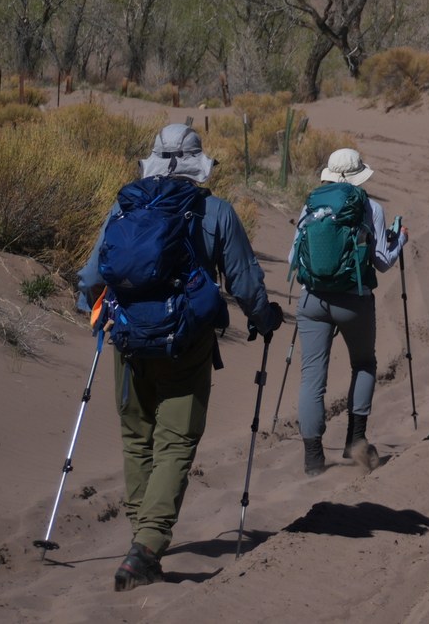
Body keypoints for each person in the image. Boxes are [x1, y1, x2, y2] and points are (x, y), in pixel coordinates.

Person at [76, 122, 282, 591]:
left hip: (126, 341)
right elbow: (245, 283)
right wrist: (264, 319)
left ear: (153, 157)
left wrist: (91, 311)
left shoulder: (124, 205)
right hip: (184, 345)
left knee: (137, 438)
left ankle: (140, 536)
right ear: (197, 161)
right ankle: (146, 548)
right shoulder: (215, 211)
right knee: (175, 442)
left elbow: (91, 276)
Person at [291, 147, 407, 475]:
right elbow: (383, 262)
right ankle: (355, 441)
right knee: (364, 364)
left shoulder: (311, 203)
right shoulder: (371, 207)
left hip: (312, 300)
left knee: (312, 376)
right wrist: (400, 241)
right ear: (358, 175)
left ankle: (313, 458)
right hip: (354, 299)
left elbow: (291, 258)